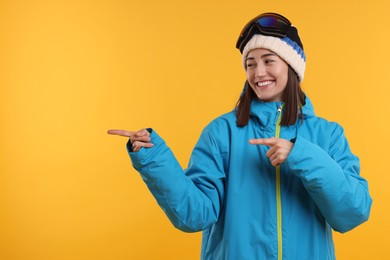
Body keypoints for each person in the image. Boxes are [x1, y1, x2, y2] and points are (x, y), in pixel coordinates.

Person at [108, 12, 372, 260]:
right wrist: (154, 158)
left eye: (269, 60)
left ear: (291, 67)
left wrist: (300, 153)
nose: (258, 73)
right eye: (250, 63)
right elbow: (194, 215)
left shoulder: (328, 135)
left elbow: (352, 212)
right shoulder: (221, 132)